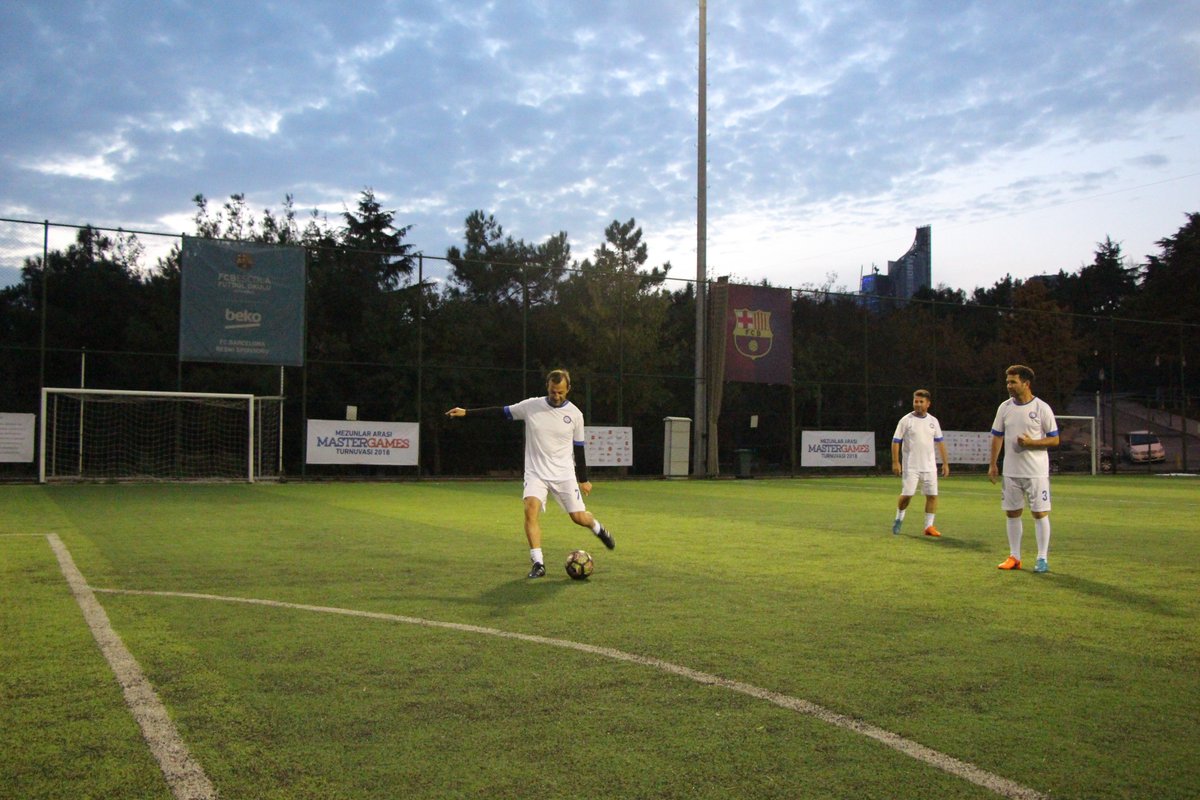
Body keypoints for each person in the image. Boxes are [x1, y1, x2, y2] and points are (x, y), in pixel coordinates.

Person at [445, 369, 615, 578]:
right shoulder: (531, 406)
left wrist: (584, 479)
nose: (556, 396)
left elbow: (578, 448)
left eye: (561, 392)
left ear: (568, 389)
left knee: (579, 517)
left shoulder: (575, 415)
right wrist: (467, 412)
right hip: (536, 473)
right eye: (553, 391)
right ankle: (538, 563)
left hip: (564, 474)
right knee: (530, 509)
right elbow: (501, 412)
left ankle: (598, 528)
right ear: (547, 387)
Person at [988, 364, 1059, 573]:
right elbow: (997, 436)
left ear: (1026, 383)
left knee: (1039, 514)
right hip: (1011, 472)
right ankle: (1015, 556)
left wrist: (1032, 443)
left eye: (1013, 382)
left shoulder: (1042, 408)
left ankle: (1042, 558)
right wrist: (993, 463)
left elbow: (1055, 440)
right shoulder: (1004, 407)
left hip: (1036, 472)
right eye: (1007, 382)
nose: (1009, 386)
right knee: (1012, 513)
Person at [891, 389, 950, 537]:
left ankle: (929, 526)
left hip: (929, 466)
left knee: (932, 496)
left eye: (921, 402)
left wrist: (945, 463)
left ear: (928, 404)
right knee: (907, 495)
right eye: (915, 401)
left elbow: (940, 442)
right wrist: (895, 462)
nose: (917, 404)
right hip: (911, 466)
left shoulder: (933, 421)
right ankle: (899, 518)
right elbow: (896, 441)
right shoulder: (906, 420)